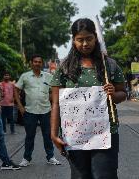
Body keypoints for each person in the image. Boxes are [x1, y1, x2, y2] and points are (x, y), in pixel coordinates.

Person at [50, 18, 127, 179]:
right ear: (73, 40)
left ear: (95, 38)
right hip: (74, 135)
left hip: (105, 133)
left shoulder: (109, 65)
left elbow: (122, 94)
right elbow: (56, 103)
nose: (85, 44)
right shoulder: (64, 68)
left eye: (89, 39)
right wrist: (54, 134)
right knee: (80, 176)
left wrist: (113, 94)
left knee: (104, 175)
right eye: (80, 40)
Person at [14, 54, 60, 167]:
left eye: (39, 62)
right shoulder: (25, 76)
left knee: (48, 135)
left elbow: (53, 91)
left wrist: (53, 103)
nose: (37, 64)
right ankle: (26, 158)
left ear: (42, 63)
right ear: (31, 63)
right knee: (30, 136)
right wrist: (20, 105)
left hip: (46, 111)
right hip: (30, 111)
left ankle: (51, 157)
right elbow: (16, 90)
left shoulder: (48, 76)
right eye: (35, 62)